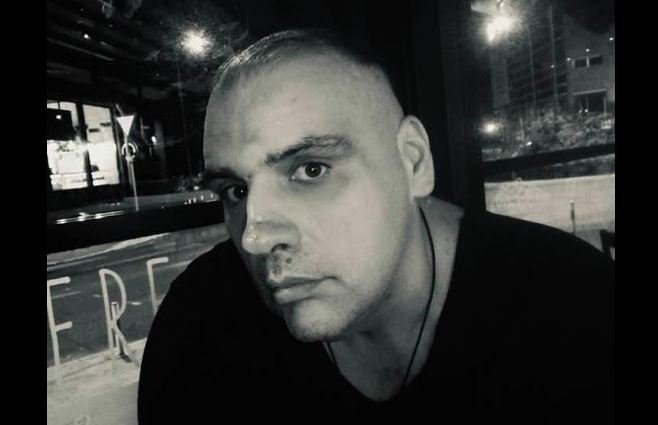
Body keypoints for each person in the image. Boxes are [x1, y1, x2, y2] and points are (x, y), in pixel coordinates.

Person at [138, 29, 614, 423]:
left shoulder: (576, 313)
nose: (255, 238)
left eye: (311, 170)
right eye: (235, 191)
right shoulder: (201, 324)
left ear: (413, 161)